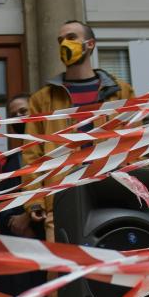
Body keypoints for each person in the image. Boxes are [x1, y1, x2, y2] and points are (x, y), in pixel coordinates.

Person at [17, 20, 134, 240]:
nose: (64, 44)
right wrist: (34, 200)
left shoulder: (120, 92)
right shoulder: (43, 99)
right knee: (61, 271)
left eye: (71, 38)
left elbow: (137, 143)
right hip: (61, 198)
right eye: (60, 40)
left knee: (111, 266)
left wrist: (135, 185)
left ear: (90, 44)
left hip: (113, 194)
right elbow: (32, 155)